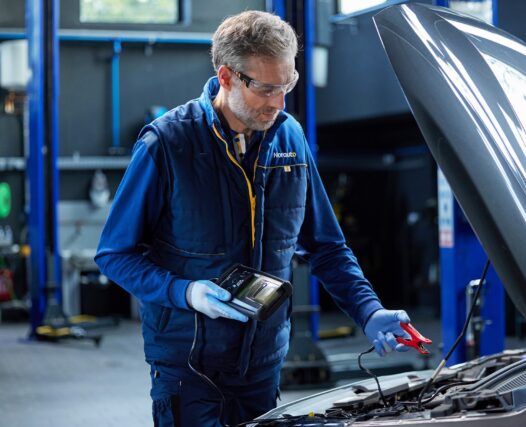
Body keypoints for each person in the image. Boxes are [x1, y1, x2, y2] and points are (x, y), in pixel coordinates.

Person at [95, 10, 412, 427]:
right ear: (227, 77)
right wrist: (185, 292)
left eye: (288, 85)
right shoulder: (168, 143)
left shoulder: (290, 138)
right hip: (189, 368)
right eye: (266, 89)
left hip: (263, 365)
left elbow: (326, 246)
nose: (279, 103)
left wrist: (368, 310)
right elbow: (114, 254)